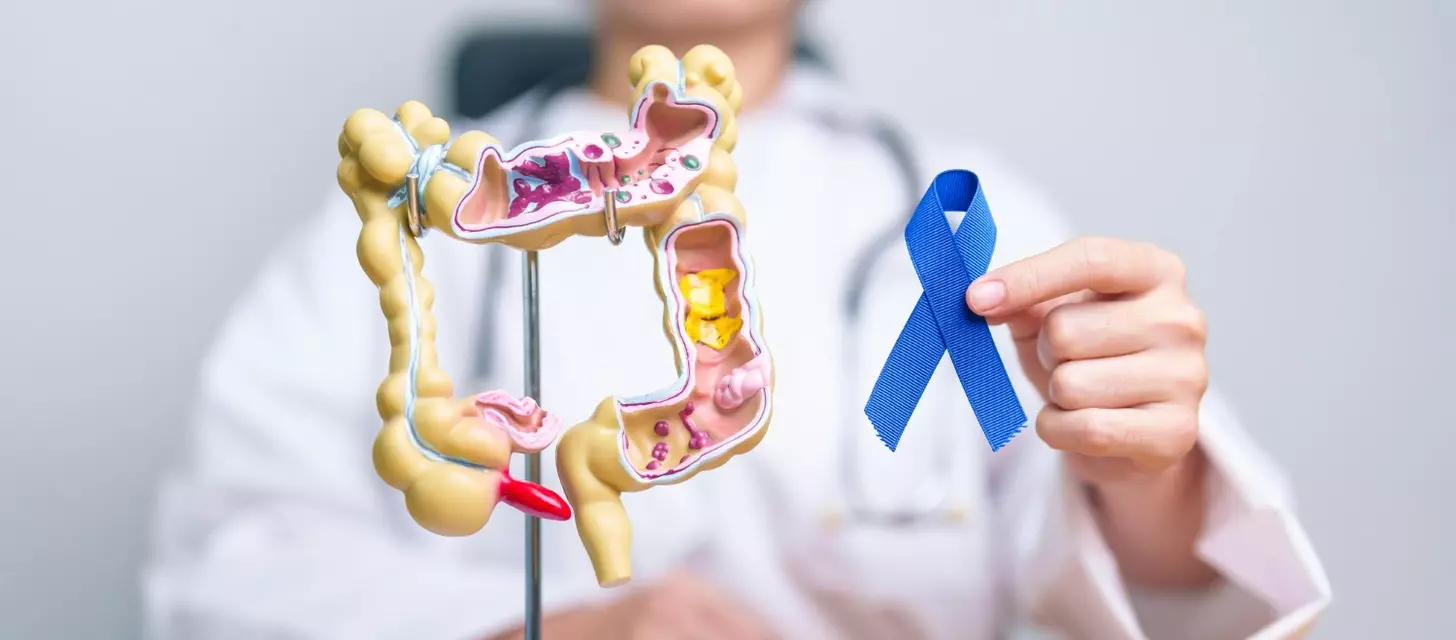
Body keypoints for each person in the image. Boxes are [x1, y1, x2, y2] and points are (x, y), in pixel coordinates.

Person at [142, 0, 1331, 638]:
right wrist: (547, 629)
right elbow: (230, 572)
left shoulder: (958, 220)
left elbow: (1191, 597)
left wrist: (1147, 466)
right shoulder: (420, 219)